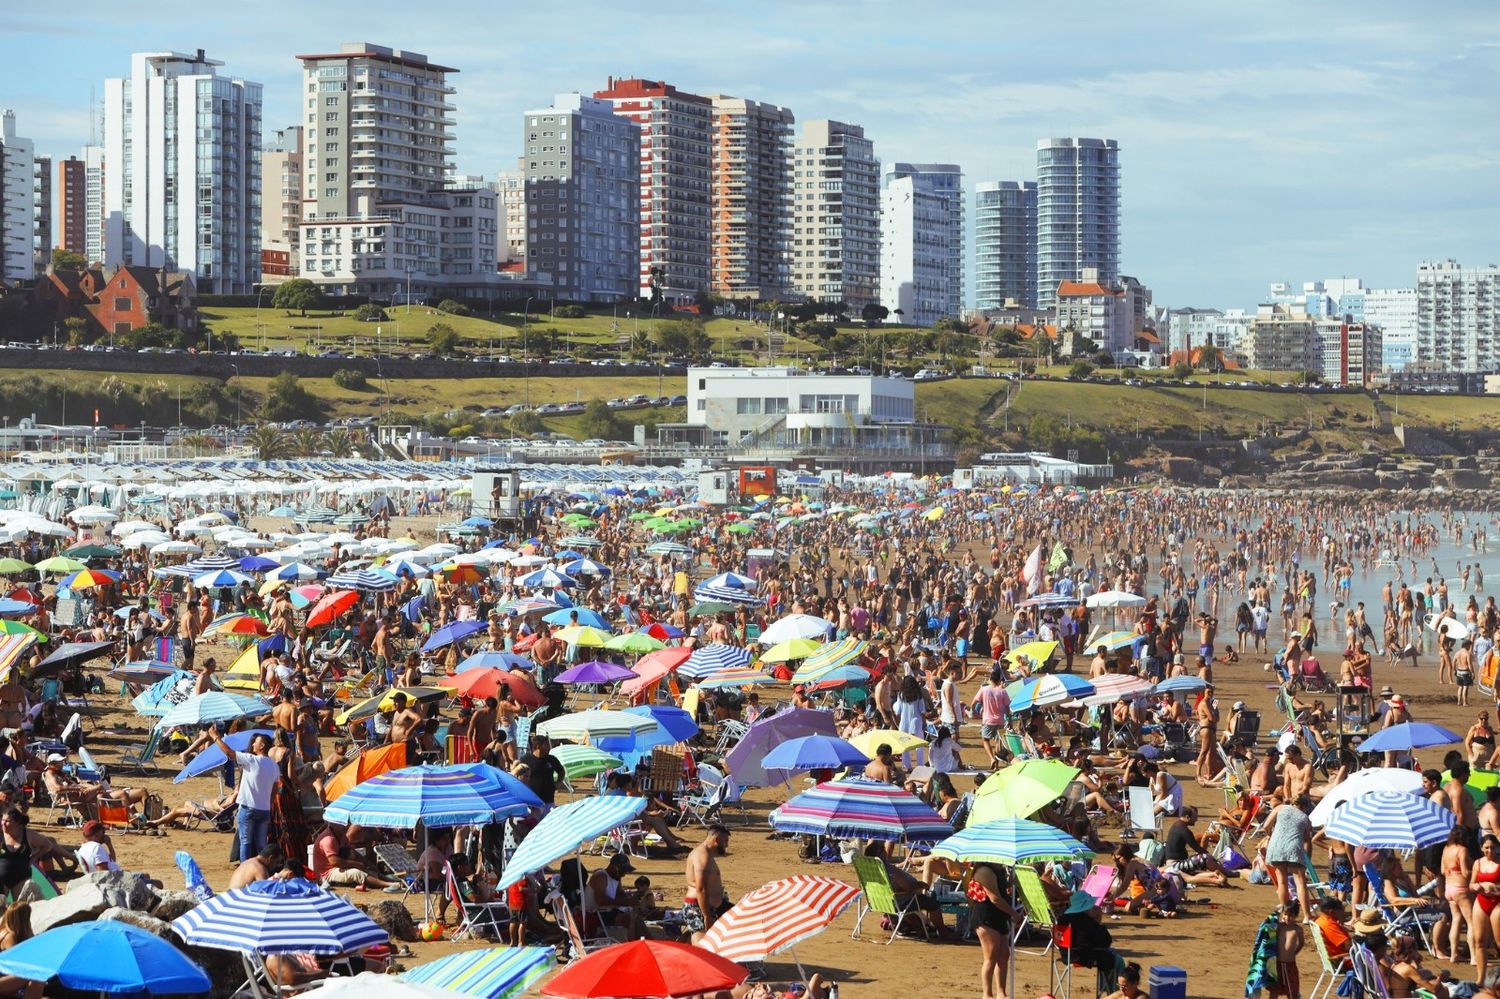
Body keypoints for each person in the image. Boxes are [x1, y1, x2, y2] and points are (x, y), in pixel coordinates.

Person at [207, 724, 280, 862]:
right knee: (261, 844)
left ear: (262, 746)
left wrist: (216, 737)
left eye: (255, 743)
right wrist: (268, 806)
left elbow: (229, 753)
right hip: (264, 810)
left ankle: (245, 870)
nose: (252, 745)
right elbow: (274, 791)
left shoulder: (252, 760)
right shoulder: (274, 765)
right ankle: (263, 869)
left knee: (245, 842)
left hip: (249, 807)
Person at [968, 859, 1019, 999]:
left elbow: (999, 889)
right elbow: (995, 898)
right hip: (986, 916)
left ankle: (1001, 993)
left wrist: (1010, 883)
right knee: (991, 957)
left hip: (999, 915)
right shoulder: (984, 870)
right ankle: (987, 995)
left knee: (1003, 955)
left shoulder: (997, 868)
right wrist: (1013, 913)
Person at [1262, 793, 1313, 911]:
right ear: (1305, 806)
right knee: (1300, 882)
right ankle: (1306, 915)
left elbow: (1266, 826)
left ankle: (1287, 911)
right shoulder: (1305, 818)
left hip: (1276, 846)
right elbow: (1306, 839)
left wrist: (1272, 836)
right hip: (1293, 848)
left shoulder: (1280, 808)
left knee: (1282, 882)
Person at [1162, 807, 1228, 887]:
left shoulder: (1177, 825)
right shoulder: (1184, 830)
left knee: (1193, 874)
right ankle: (1223, 872)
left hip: (1174, 863)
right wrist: (1212, 858)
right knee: (1205, 857)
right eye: (1194, 817)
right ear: (1187, 817)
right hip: (1176, 864)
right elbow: (1197, 848)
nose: (1196, 820)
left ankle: (1216, 874)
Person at [588, 854, 645, 941]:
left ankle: (648, 943)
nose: (624, 875)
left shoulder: (616, 878)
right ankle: (638, 945)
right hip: (594, 914)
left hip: (606, 911)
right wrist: (627, 902)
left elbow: (620, 894)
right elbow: (600, 901)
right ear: (614, 867)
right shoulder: (600, 877)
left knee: (636, 917)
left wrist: (632, 900)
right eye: (623, 871)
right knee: (632, 920)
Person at [683, 824, 730, 933]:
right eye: (725, 841)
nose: (726, 845)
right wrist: (707, 916)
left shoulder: (706, 855)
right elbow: (701, 888)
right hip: (699, 908)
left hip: (709, 906)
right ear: (717, 840)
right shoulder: (702, 857)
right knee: (702, 944)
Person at [1473, 834, 1500, 985]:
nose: (1490, 850)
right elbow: (1471, 884)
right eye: (1487, 847)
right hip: (1481, 901)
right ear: (1482, 848)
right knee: (1479, 941)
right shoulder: (1477, 863)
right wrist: (1476, 886)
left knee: (1498, 943)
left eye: (1492, 847)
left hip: (1497, 902)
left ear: (1497, 847)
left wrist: (1495, 888)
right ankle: (1480, 979)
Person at [971, 668, 1011, 766]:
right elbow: (1007, 707)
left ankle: (992, 758)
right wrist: (1009, 719)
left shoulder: (984, 689)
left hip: (988, 720)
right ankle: (996, 760)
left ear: (990, 679)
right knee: (998, 741)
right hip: (1000, 721)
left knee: (985, 740)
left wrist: (974, 711)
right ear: (999, 680)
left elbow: (974, 702)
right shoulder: (1002, 691)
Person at [518, 735, 567, 809]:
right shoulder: (526, 759)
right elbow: (518, 775)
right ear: (538, 746)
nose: (549, 747)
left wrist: (558, 783)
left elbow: (561, 771)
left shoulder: (552, 759)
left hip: (549, 801)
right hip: (532, 802)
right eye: (546, 745)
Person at [1271, 900, 1305, 999]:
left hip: (1290, 964)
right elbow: (1270, 922)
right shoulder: (1279, 927)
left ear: (1295, 916)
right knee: (1274, 990)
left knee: (1292, 991)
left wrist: (1294, 953)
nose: (1287, 918)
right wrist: (1279, 910)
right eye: (1285, 915)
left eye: (1291, 916)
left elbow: (1301, 943)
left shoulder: (1297, 929)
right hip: (1277, 964)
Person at [1314, 897, 1352, 962]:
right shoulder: (1330, 925)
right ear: (1331, 912)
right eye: (1341, 909)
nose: (1344, 912)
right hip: (1343, 959)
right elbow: (1348, 946)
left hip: (1338, 956)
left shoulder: (1320, 920)